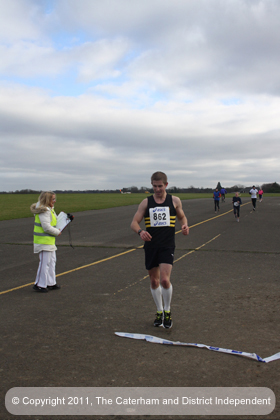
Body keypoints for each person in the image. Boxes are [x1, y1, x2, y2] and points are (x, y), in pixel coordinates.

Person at [130, 171, 189, 329]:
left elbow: (182, 217)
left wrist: (184, 225)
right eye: (154, 186)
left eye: (160, 186)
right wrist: (141, 231)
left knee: (164, 279)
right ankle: (159, 311)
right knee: (154, 281)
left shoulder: (174, 201)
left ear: (166, 185)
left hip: (167, 245)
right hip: (151, 246)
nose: (157, 189)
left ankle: (168, 311)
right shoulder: (146, 203)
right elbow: (134, 222)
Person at [30, 191, 62, 293]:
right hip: (43, 241)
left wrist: (67, 219)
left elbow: (56, 221)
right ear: (47, 200)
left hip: (49, 241)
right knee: (45, 263)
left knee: (52, 262)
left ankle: (50, 283)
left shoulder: (50, 210)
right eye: (53, 199)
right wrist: (57, 232)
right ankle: (39, 284)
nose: (54, 201)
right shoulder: (44, 211)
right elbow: (46, 227)